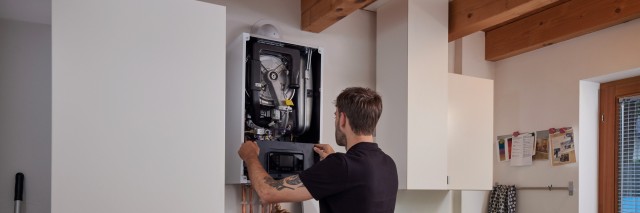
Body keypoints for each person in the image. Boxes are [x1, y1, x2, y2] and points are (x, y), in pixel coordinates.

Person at [238, 87, 398, 213]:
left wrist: (250, 156)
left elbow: (267, 193)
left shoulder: (341, 166)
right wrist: (333, 160)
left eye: (335, 115)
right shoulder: (388, 164)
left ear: (343, 119)